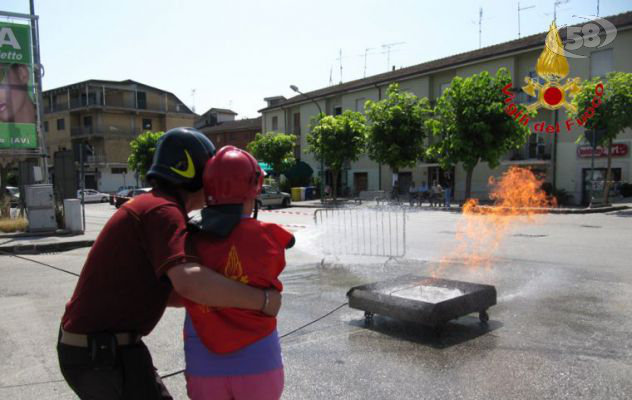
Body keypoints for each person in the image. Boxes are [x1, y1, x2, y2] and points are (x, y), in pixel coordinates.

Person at [56, 128, 281, 400]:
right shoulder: (163, 211)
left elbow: (173, 293)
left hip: (108, 349)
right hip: (100, 354)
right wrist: (263, 300)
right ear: (194, 174)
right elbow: (188, 282)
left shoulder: (153, 205)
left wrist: (222, 295)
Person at [183, 146, 293, 400]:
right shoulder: (271, 235)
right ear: (253, 189)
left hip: (203, 366)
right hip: (259, 364)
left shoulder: (190, 238)